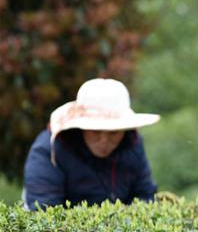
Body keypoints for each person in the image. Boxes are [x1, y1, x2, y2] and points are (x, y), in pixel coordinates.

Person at [23, 78, 160, 210]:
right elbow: (44, 210)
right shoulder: (49, 150)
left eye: (113, 132)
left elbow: (145, 195)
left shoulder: (132, 143)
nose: (104, 140)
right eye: (95, 131)